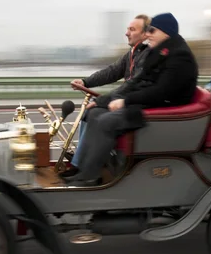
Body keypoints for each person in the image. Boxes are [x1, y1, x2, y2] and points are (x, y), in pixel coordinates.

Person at [66, 12, 199, 187]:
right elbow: (135, 82)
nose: (148, 34)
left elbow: (161, 92)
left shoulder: (180, 57)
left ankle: (90, 176)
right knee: (95, 113)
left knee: (106, 121)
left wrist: (125, 102)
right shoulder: (159, 52)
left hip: (163, 111)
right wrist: (102, 101)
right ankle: (83, 169)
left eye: (152, 30)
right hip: (150, 105)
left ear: (166, 32)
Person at [60, 14, 151, 180]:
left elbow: (132, 86)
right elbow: (111, 72)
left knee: (94, 112)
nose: (126, 33)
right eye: (127, 29)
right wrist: (85, 81)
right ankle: (80, 164)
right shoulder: (132, 53)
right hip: (126, 101)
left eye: (132, 29)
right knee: (89, 113)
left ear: (145, 34)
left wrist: (103, 100)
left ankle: (87, 167)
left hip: (134, 104)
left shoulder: (148, 55)